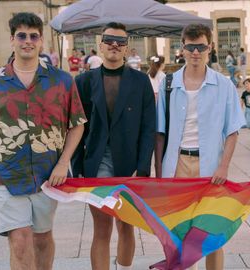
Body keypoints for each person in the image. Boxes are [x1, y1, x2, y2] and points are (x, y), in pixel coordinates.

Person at [0, 12, 86, 270]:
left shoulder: (61, 81)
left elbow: (77, 125)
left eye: (33, 36)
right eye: (21, 35)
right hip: (5, 174)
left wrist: (64, 163)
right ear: (12, 40)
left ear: (41, 41)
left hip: (47, 176)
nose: (27, 41)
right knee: (20, 241)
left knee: (42, 239)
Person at [155, 23, 245, 270]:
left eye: (201, 47)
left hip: (211, 167)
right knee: (180, 230)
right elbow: (160, 133)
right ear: (182, 48)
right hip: (177, 165)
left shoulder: (223, 85)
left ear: (210, 48)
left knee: (212, 233)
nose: (196, 52)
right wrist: (160, 172)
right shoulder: (169, 83)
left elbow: (233, 131)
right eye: (191, 47)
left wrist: (224, 167)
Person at [71, 22, 155, 270]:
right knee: (102, 228)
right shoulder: (84, 81)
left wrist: (142, 168)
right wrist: (77, 167)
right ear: (100, 46)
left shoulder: (141, 82)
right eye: (109, 40)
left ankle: (124, 266)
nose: (114, 46)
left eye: (120, 42)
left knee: (126, 224)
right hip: (96, 163)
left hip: (129, 163)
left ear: (127, 49)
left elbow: (148, 128)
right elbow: (76, 127)